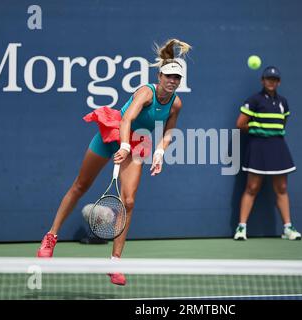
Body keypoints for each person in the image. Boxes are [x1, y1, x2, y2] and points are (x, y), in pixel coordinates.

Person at [36, 39, 192, 286]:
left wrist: (160, 153)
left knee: (128, 201)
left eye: (177, 78)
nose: (172, 81)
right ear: (159, 75)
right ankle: (50, 237)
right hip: (114, 134)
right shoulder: (146, 92)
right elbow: (127, 119)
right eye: (168, 76)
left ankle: (115, 261)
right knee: (80, 185)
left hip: (137, 144)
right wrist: (124, 145)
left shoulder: (176, 104)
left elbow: (169, 132)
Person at [234, 66, 302, 241]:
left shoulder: (283, 102)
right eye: (268, 79)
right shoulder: (254, 100)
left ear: (278, 82)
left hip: (278, 147)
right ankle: (241, 228)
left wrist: (271, 132)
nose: (271, 82)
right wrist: (259, 128)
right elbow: (240, 124)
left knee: (282, 188)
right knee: (252, 187)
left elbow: (282, 123)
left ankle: (288, 228)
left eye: (274, 79)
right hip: (258, 147)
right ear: (262, 81)